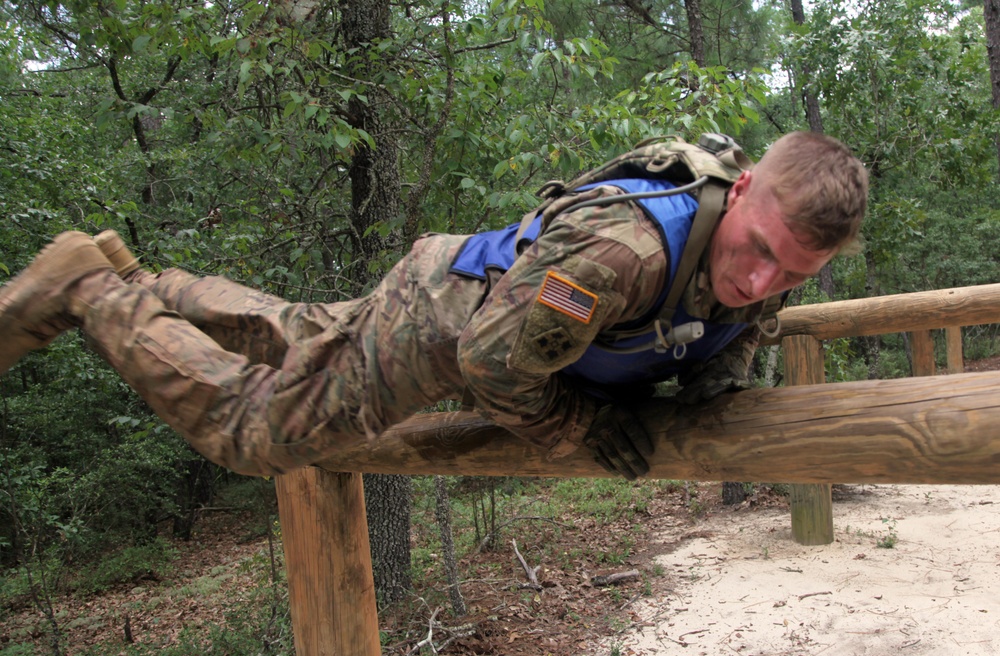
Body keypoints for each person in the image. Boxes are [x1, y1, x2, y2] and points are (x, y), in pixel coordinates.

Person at [0, 132, 867, 480]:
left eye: (792, 274)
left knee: (302, 334)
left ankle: (138, 283)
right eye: (757, 250)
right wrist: (583, 431)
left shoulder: (767, 272)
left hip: (467, 282)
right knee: (252, 434)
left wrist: (719, 383)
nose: (761, 282)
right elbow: (492, 362)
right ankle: (94, 292)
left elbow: (740, 333)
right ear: (742, 187)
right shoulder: (626, 251)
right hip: (447, 324)